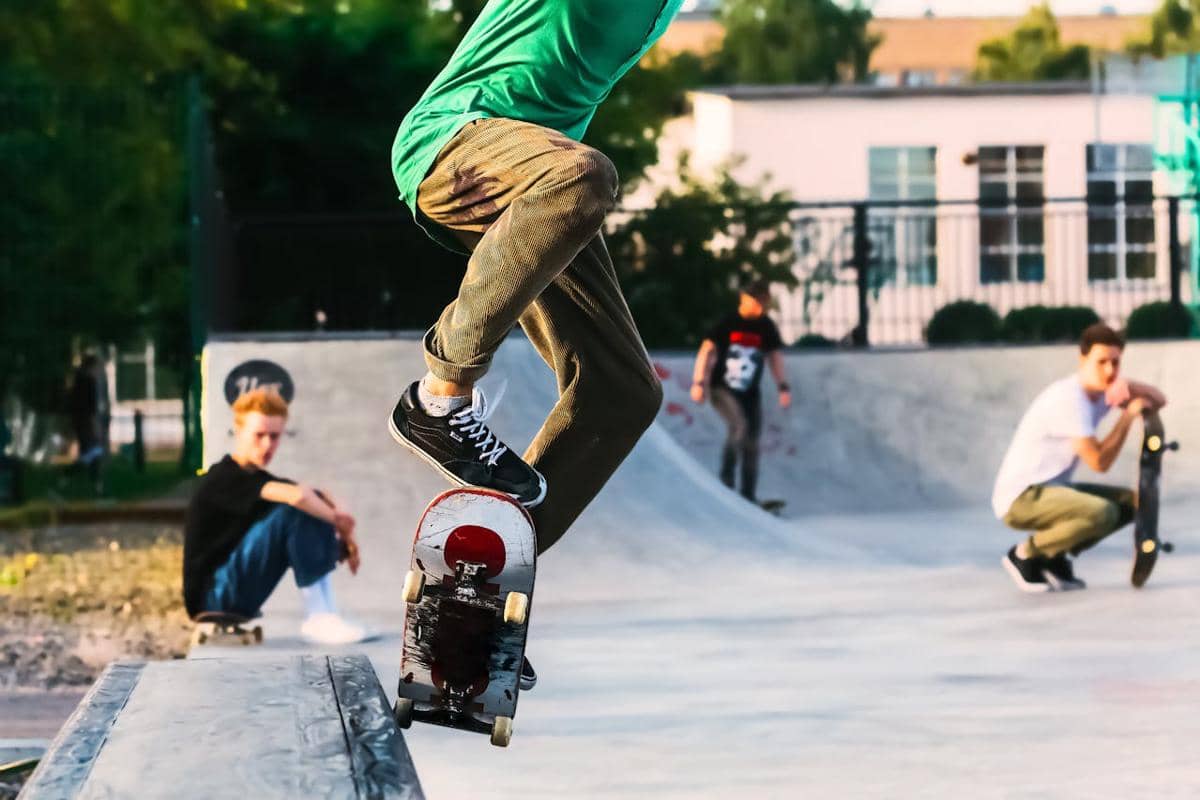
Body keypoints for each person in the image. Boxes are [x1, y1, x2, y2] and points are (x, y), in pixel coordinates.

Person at [183, 388, 368, 644]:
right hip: (215, 595)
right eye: (259, 435)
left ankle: (328, 612)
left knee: (310, 507)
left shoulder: (260, 481)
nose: (268, 445)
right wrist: (342, 527)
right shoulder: (223, 477)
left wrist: (345, 534)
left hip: (237, 595)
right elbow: (298, 498)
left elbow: (318, 495)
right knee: (298, 508)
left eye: (274, 436)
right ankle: (318, 616)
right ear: (238, 433)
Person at [992, 323, 1167, 592]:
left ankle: (1053, 556)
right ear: (1082, 360)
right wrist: (1127, 415)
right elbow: (1099, 463)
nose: (1109, 371)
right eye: (1101, 363)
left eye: (1116, 363)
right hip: (1022, 497)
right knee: (1102, 513)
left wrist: (1128, 385)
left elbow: (1159, 399)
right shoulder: (1069, 399)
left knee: (1137, 503)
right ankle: (1026, 554)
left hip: (1053, 489)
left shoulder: (1100, 394)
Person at [688, 280, 791, 504]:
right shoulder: (728, 323)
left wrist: (783, 385)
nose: (761, 308)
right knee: (738, 426)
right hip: (721, 389)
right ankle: (725, 485)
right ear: (745, 300)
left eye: (765, 303)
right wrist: (698, 382)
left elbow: (775, 357)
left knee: (752, 442)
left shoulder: (766, 326)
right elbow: (706, 350)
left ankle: (747, 496)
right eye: (758, 302)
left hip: (750, 394)